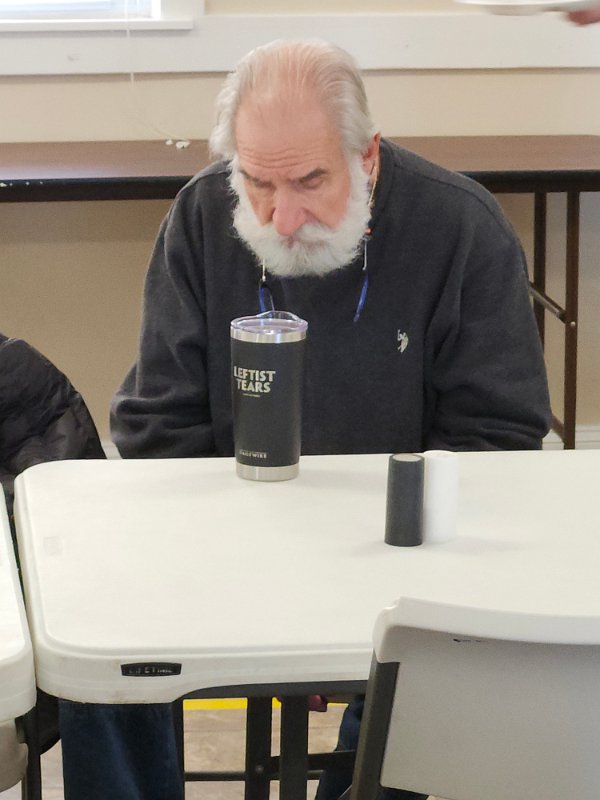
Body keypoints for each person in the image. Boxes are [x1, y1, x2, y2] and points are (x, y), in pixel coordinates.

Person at [62, 39, 551, 800]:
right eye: (257, 182)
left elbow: (499, 443)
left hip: (401, 556)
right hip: (232, 536)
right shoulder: (202, 216)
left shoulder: (461, 229)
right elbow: (157, 425)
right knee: (100, 643)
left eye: (311, 181)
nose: (282, 218)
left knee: (450, 660)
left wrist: (346, 592)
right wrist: (262, 574)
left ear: (368, 157)